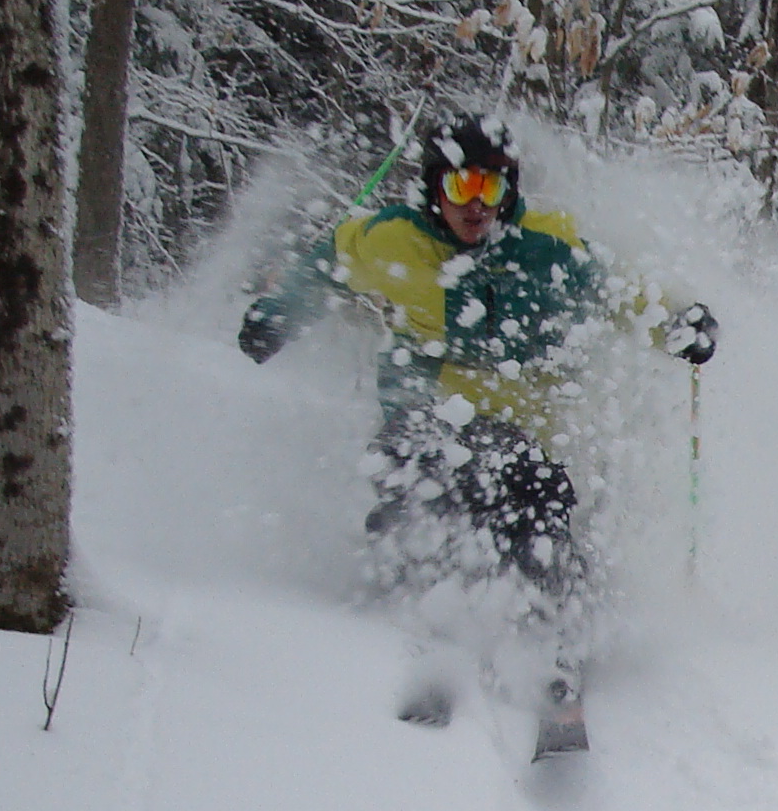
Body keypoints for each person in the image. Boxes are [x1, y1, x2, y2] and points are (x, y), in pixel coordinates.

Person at [238, 114, 715, 740]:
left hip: (516, 424)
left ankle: (552, 651)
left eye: (490, 191)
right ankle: (420, 640)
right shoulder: (393, 242)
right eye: (461, 189)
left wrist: (678, 324)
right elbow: (327, 262)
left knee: (538, 505)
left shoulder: (546, 245)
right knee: (419, 486)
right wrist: (276, 315)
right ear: (434, 189)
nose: (475, 207)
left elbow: (620, 291)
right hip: (423, 410)